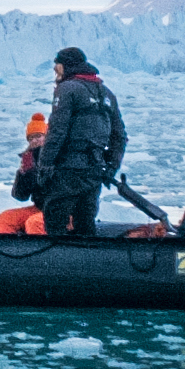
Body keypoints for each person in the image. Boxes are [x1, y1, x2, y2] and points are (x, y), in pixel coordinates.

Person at [35, 46, 125, 237]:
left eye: (57, 66)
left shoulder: (67, 89)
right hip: (94, 170)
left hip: (68, 170)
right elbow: (119, 136)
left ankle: (57, 255)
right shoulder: (106, 93)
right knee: (85, 221)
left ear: (66, 65)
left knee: (55, 220)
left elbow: (57, 131)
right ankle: (86, 255)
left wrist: (44, 164)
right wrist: (111, 166)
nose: (55, 71)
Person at [0, 111, 48, 235]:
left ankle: (38, 248)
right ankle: (5, 247)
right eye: (31, 138)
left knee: (34, 223)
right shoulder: (29, 159)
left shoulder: (60, 157)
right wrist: (24, 174)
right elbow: (20, 196)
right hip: (40, 208)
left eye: (38, 136)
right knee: (5, 218)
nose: (34, 141)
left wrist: (35, 172)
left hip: (61, 211)